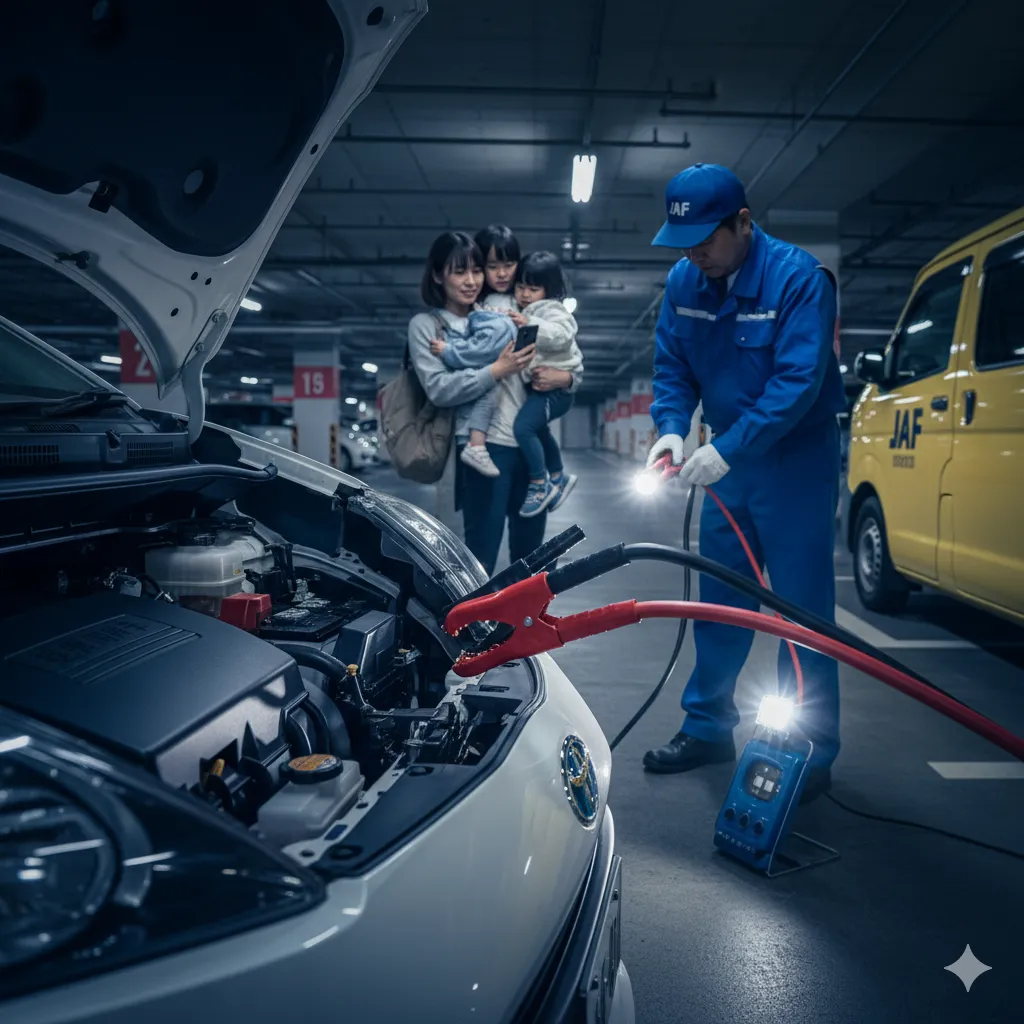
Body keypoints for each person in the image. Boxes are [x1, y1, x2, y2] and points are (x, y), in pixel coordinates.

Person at [641, 163, 846, 805]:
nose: (695, 254)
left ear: (744, 223)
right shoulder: (684, 282)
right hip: (728, 465)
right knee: (719, 603)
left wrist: (726, 447)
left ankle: (809, 746)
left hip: (794, 463)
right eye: (684, 242)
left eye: (707, 238)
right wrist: (674, 428)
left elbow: (797, 383)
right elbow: (672, 367)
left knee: (800, 611)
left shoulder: (799, 280)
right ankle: (708, 728)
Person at [407, 230, 578, 576]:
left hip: (529, 445)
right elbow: (440, 389)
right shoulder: (439, 325)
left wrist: (569, 379)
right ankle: (478, 628)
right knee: (479, 556)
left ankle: (524, 629)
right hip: (485, 449)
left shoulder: (523, 306)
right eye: (485, 266)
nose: (478, 278)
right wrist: (497, 369)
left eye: (478, 270)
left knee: (532, 559)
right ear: (440, 275)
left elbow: (564, 354)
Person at [508, 252, 582, 516]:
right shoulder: (526, 309)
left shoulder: (551, 310)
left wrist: (529, 323)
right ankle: (558, 476)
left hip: (557, 391)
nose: (525, 294)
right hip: (545, 388)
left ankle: (540, 483)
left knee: (523, 428)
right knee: (539, 431)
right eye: (521, 287)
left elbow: (562, 336)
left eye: (533, 288)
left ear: (548, 290)